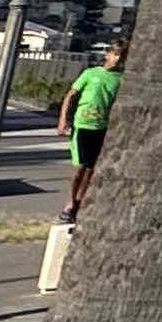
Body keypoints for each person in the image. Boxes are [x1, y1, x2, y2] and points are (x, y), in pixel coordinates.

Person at [58, 44, 124, 219]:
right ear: (108, 55)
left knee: (90, 169)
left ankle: (78, 203)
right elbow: (70, 95)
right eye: (115, 54)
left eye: (121, 56)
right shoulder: (91, 73)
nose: (117, 58)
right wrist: (63, 120)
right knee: (79, 167)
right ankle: (70, 201)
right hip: (83, 125)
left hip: (101, 127)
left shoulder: (119, 79)